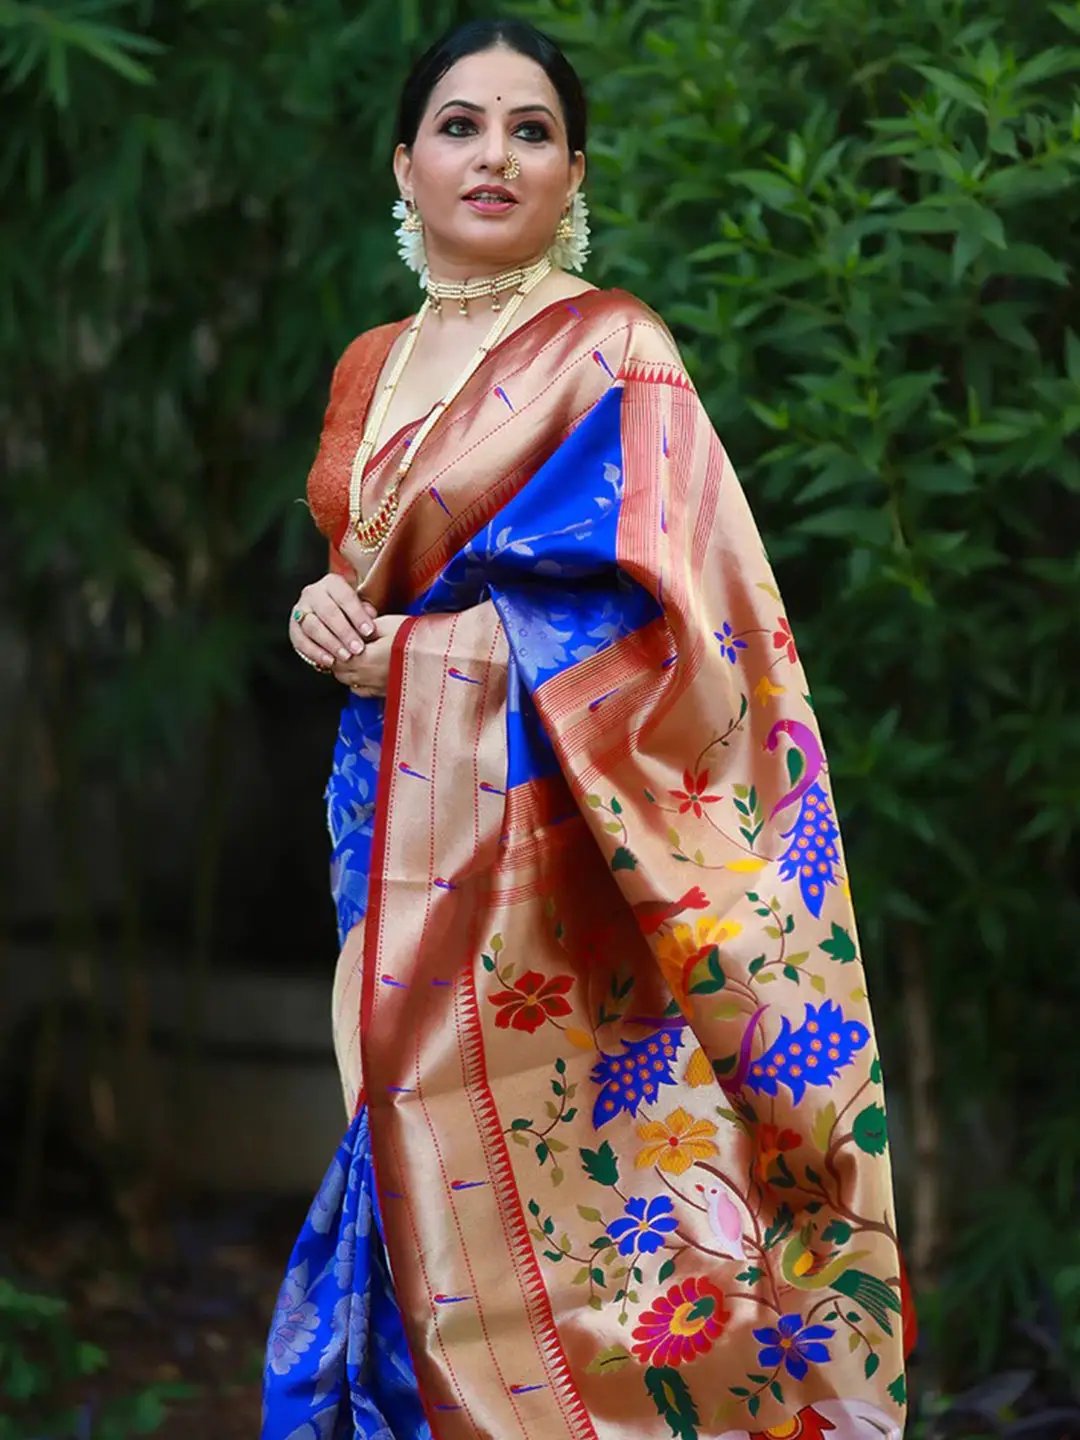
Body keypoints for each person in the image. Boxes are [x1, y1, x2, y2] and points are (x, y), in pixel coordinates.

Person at [263, 17, 911, 1440]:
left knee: (592, 1190)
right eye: (460, 124)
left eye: (531, 129)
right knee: (404, 1152)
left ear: (574, 174)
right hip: (394, 808)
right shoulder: (373, 362)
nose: (494, 154)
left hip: (562, 835)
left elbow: (682, 623)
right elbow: (370, 559)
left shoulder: (618, 354)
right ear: (403, 162)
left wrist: (443, 658)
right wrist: (328, 613)